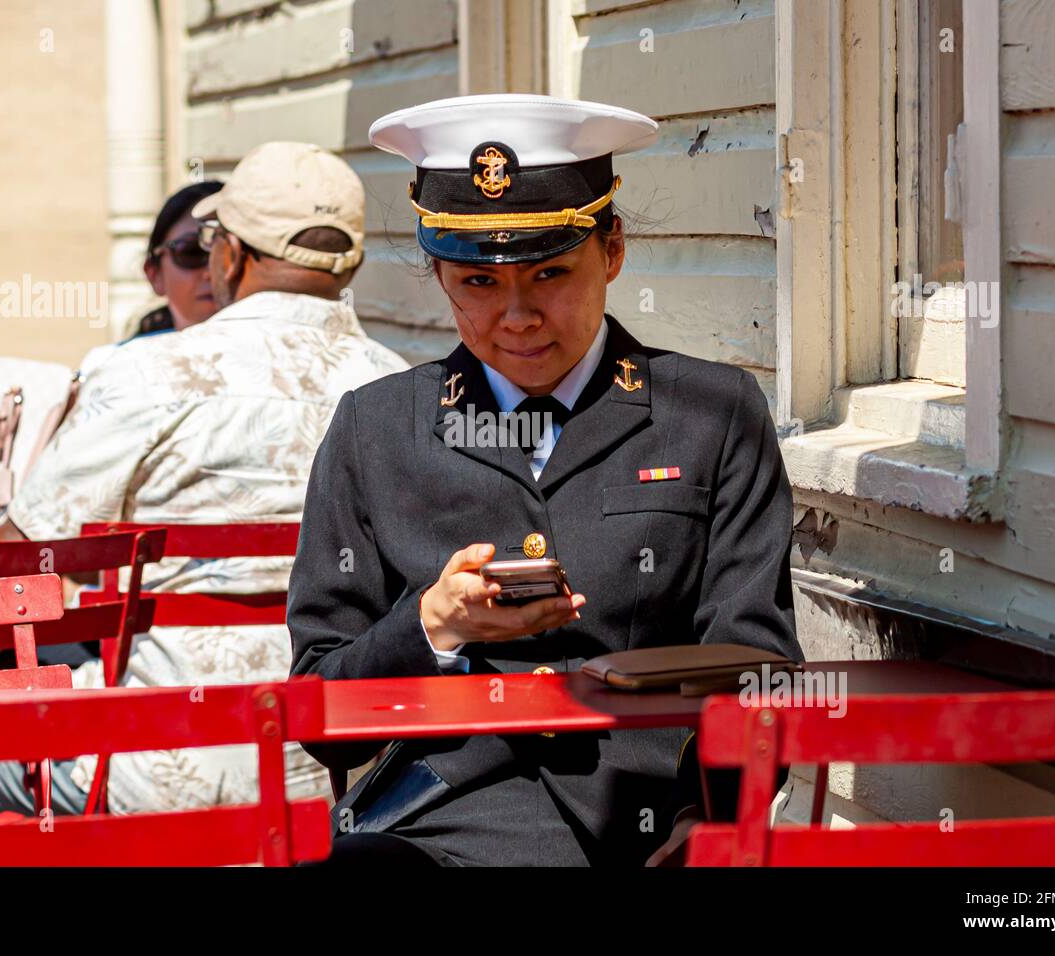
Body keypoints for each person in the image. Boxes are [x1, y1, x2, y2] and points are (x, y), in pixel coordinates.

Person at [287, 94, 802, 867]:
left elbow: (756, 665)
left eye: (551, 272)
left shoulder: (712, 414)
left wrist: (711, 822)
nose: (519, 315)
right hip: (433, 830)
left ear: (613, 249)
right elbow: (317, 710)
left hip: (648, 829)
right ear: (438, 276)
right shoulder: (375, 428)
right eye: (477, 283)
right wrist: (432, 626)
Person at [0, 142, 409, 822]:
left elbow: (22, 568)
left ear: (231, 255)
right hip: (342, 768)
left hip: (159, 755)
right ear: (350, 264)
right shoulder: (399, 388)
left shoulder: (148, 374)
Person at [76, 180, 224, 379]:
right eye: (191, 252)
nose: (211, 272)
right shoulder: (110, 368)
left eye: (229, 256)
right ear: (154, 274)